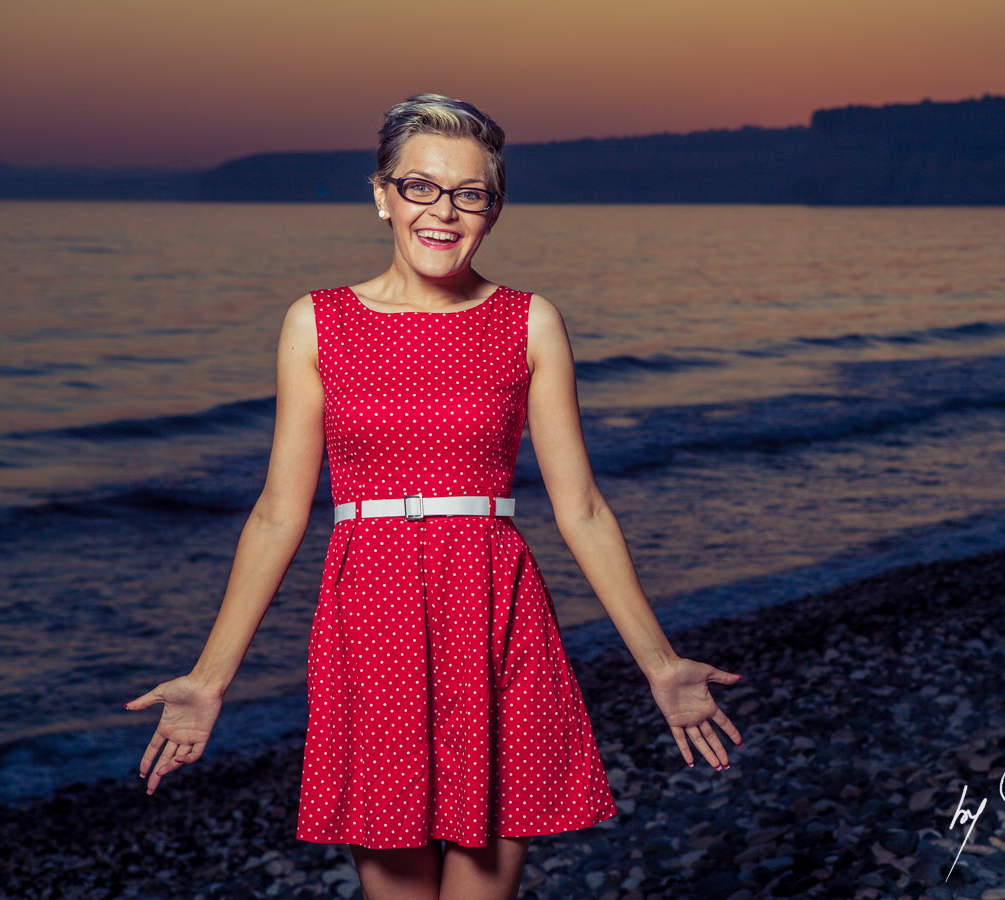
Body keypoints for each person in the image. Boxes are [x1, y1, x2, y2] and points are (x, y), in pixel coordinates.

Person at [125, 93, 745, 900]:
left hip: (496, 615)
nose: (443, 211)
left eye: (469, 193)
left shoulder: (530, 322)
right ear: (382, 195)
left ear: (494, 209)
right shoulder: (316, 323)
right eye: (420, 186)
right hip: (371, 619)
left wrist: (659, 663)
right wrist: (210, 679)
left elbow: (582, 508)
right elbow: (279, 511)